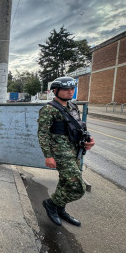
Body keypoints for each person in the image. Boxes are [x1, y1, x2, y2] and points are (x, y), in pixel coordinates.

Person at [38, 77, 95, 226]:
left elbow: (78, 127)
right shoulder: (49, 109)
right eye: (66, 89)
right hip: (61, 152)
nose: (70, 91)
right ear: (55, 91)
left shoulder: (73, 106)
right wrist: (48, 156)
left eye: (72, 88)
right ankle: (51, 204)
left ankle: (60, 209)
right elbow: (43, 135)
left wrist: (88, 140)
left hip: (75, 149)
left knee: (65, 182)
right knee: (78, 187)